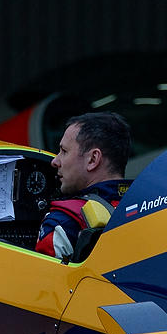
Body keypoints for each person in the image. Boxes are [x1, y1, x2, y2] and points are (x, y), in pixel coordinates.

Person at [36, 111, 133, 260]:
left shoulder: (63, 222)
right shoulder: (152, 207)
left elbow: (39, 274)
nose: (55, 161)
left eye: (64, 151)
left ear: (93, 159)